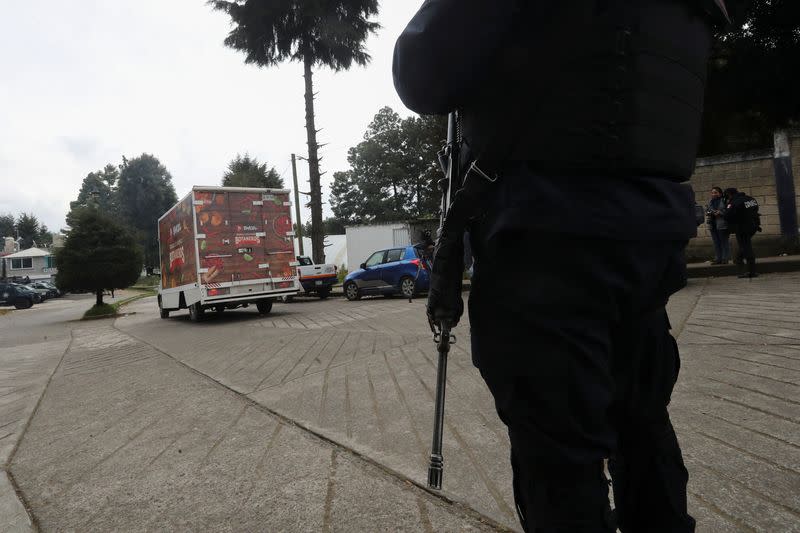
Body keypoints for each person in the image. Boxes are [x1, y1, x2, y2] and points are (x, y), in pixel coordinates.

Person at [394, 1, 731, 531]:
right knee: (643, 426)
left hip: (544, 242)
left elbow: (421, 74)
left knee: (558, 459)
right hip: (650, 237)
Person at [723, 187, 761, 278]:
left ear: (729, 194)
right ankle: (739, 260)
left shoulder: (733, 202)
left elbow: (727, 215)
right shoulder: (750, 199)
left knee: (746, 248)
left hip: (741, 228)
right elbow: (755, 210)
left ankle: (751, 271)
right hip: (753, 226)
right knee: (744, 246)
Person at [706, 186, 730, 264]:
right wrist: (709, 212)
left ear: (720, 193)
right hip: (712, 224)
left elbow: (728, 211)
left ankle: (725, 258)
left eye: (715, 192)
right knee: (716, 242)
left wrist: (720, 213)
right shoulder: (710, 202)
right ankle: (718, 258)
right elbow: (707, 210)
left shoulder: (724, 200)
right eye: (712, 193)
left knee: (723, 242)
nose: (713, 194)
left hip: (722, 224)